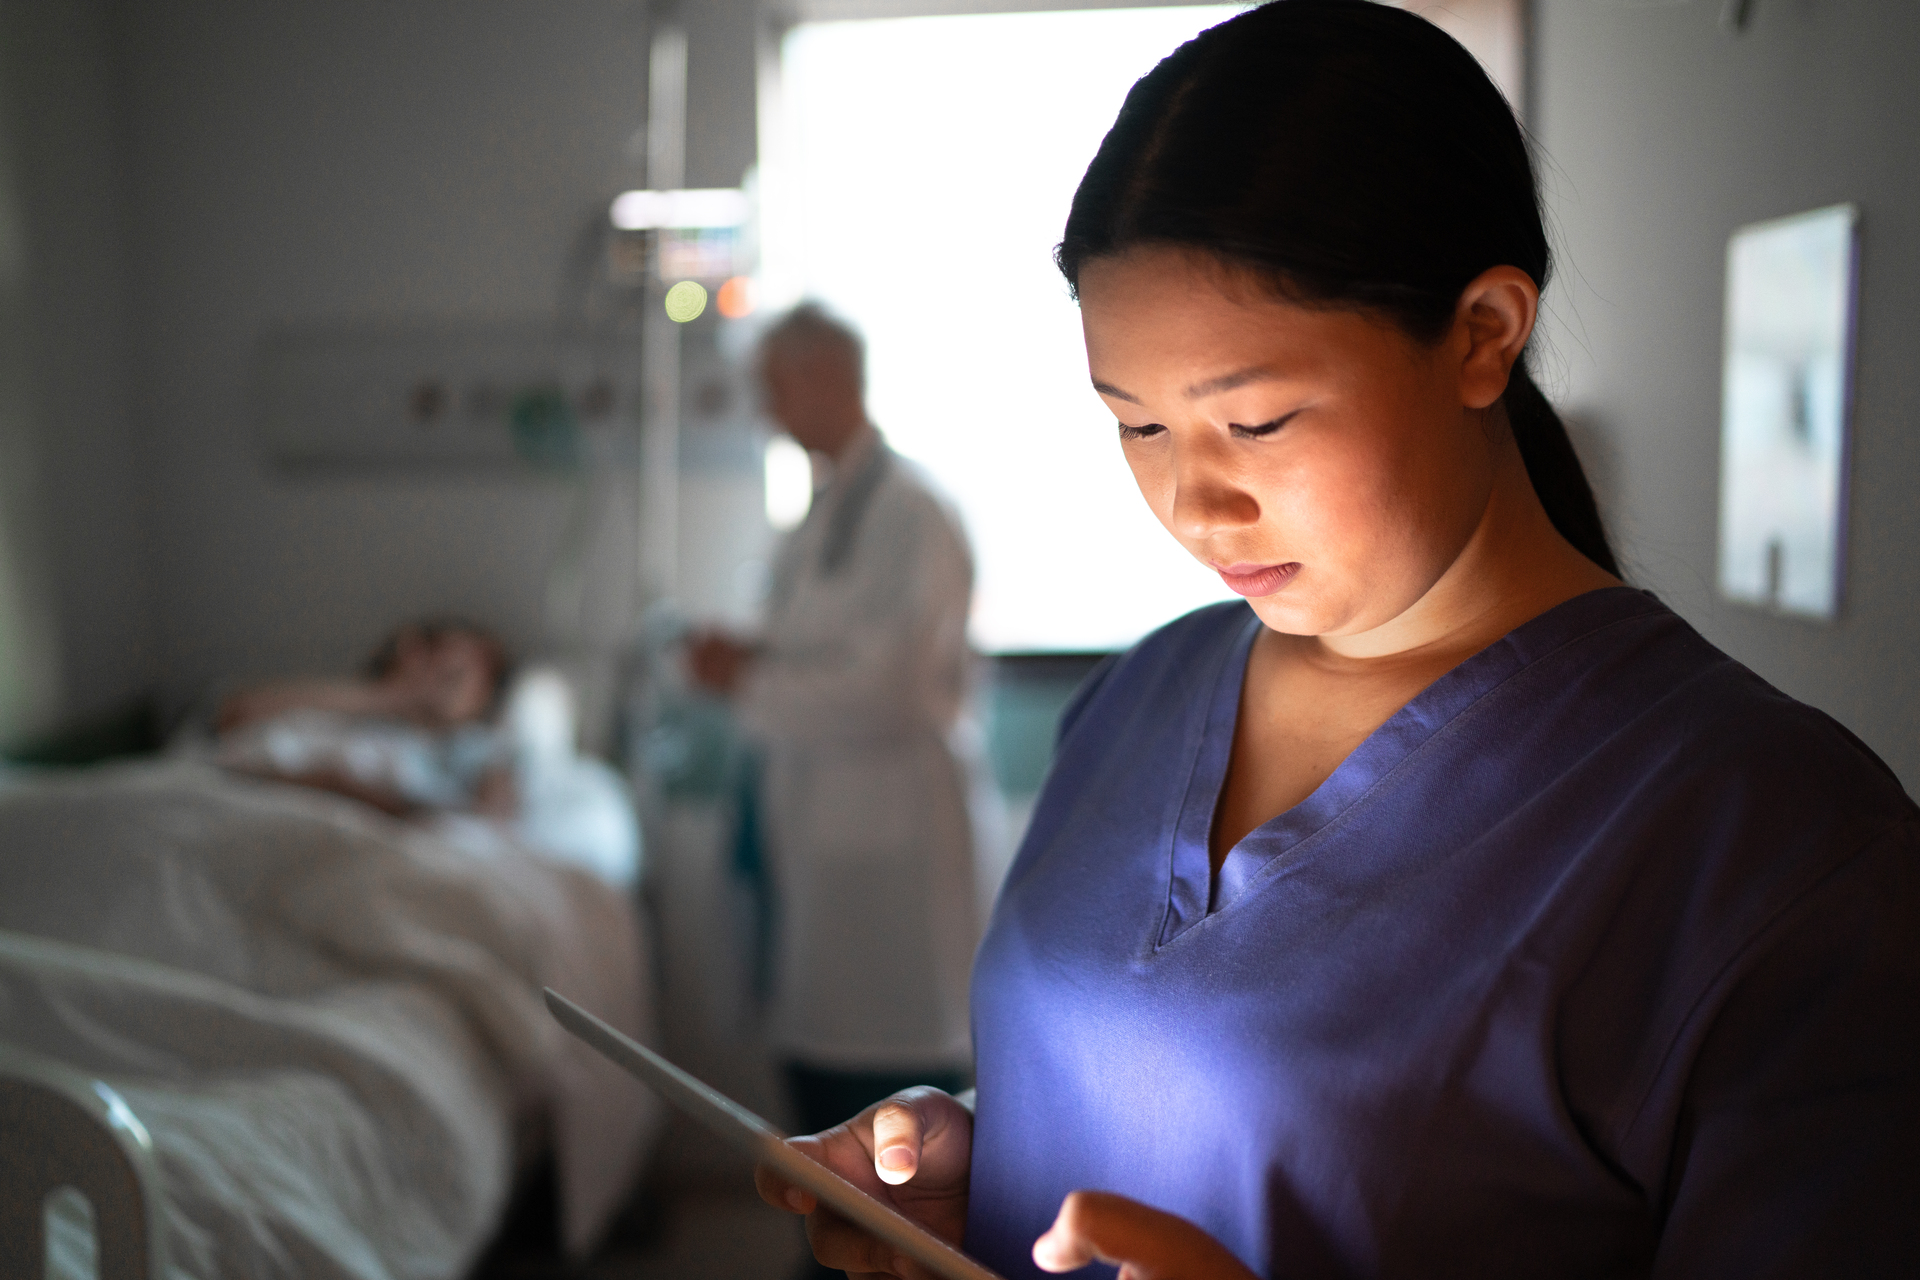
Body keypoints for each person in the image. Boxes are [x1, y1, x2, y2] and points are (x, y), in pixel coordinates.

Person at [754, 3, 1920, 1278]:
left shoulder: (1770, 838)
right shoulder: (1143, 696)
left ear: (1483, 333)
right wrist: (976, 1166)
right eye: (1137, 425)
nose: (1194, 503)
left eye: (1254, 423)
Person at [688, 305, 993, 1145]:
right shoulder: (827, 509)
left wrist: (748, 677)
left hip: (889, 839)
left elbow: (889, 688)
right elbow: (823, 645)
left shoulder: (910, 511)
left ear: (826, 378)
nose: (765, 409)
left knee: (899, 1111)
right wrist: (751, 656)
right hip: (823, 834)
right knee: (820, 1086)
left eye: (773, 387)